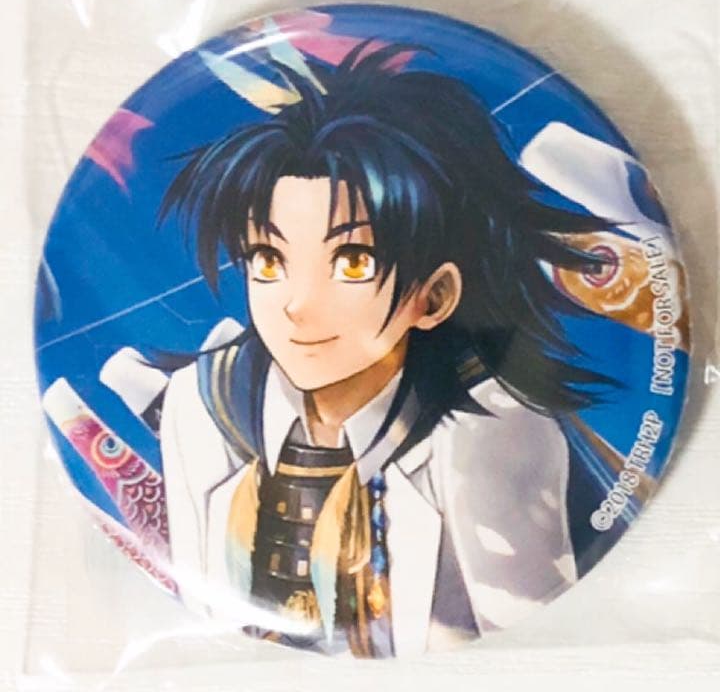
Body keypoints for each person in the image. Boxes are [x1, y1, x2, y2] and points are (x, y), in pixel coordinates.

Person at [157, 41, 615, 657]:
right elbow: (201, 605)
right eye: (268, 259)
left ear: (436, 296)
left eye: (352, 261)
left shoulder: (488, 431)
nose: (296, 305)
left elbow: (529, 646)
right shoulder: (203, 404)